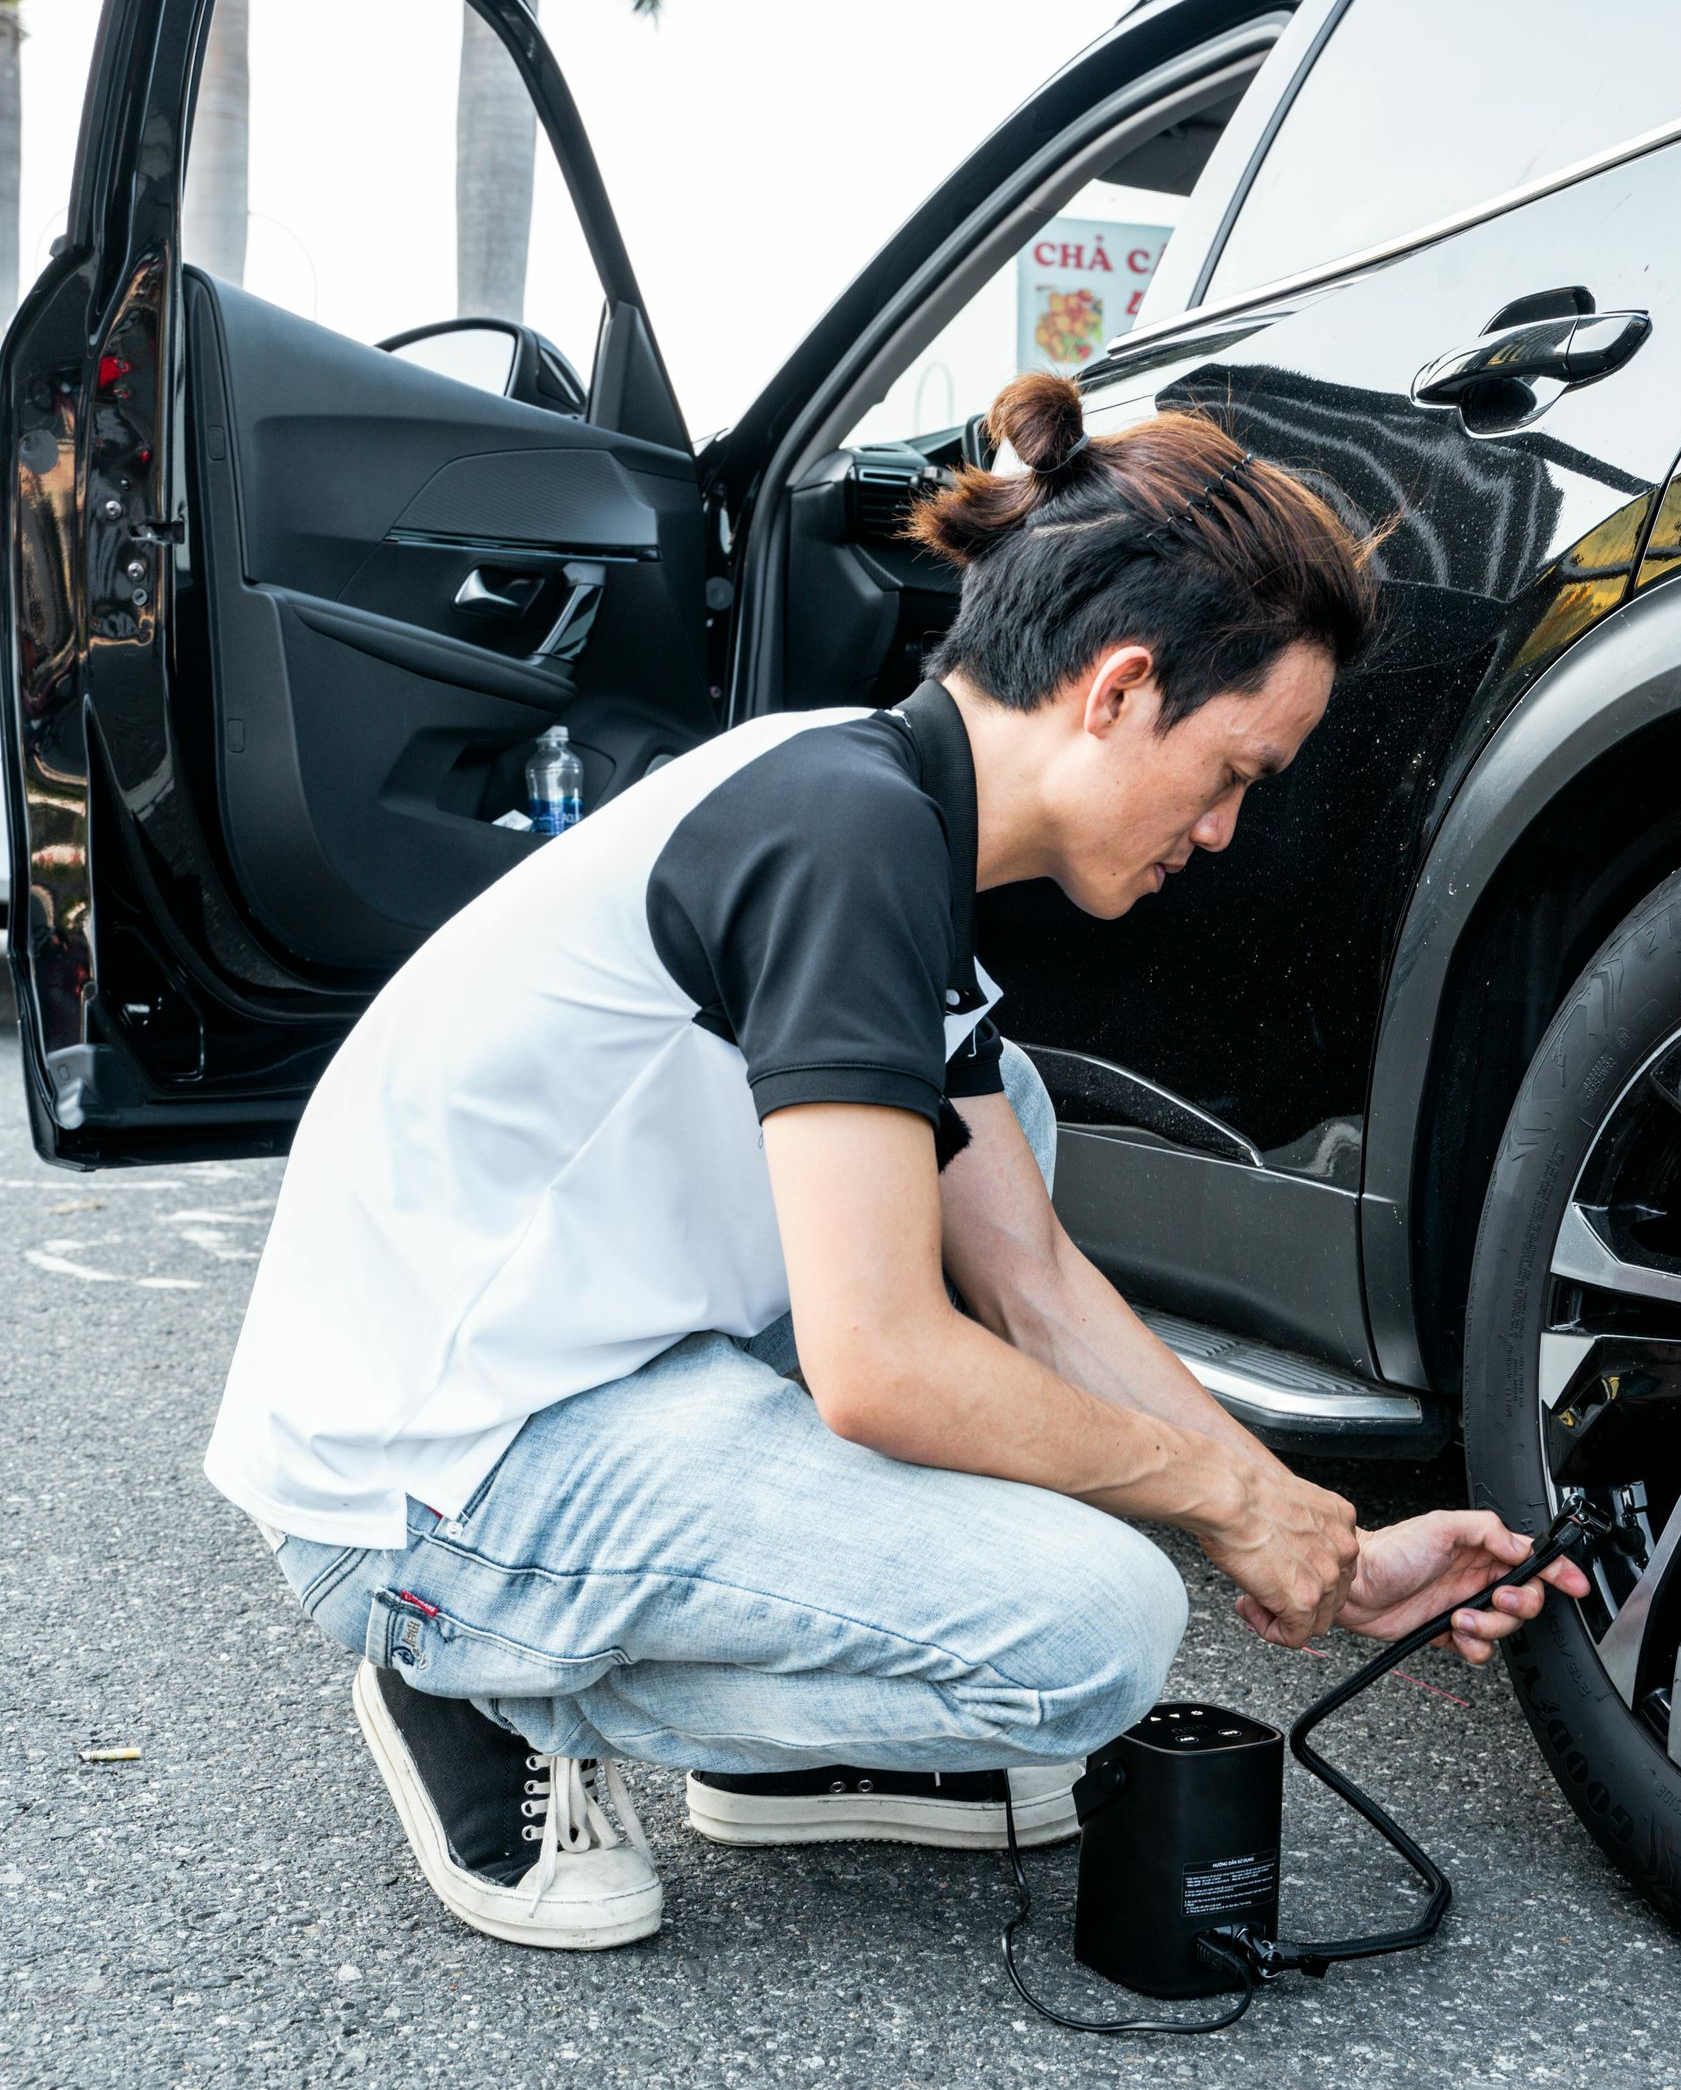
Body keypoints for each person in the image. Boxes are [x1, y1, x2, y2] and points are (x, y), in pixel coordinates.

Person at [203, 372, 1588, 1952]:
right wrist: (1210, 1499)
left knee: (1012, 1140)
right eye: (1237, 773)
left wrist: (1309, 1532)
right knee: (1096, 1633)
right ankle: (475, 1676)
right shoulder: (847, 838)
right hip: (426, 1485)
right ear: (1120, 689)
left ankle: (783, 1737)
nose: (1223, 832)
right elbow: (878, 1363)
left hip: (567, 1368)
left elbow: (1033, 1280)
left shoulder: (870, 798)